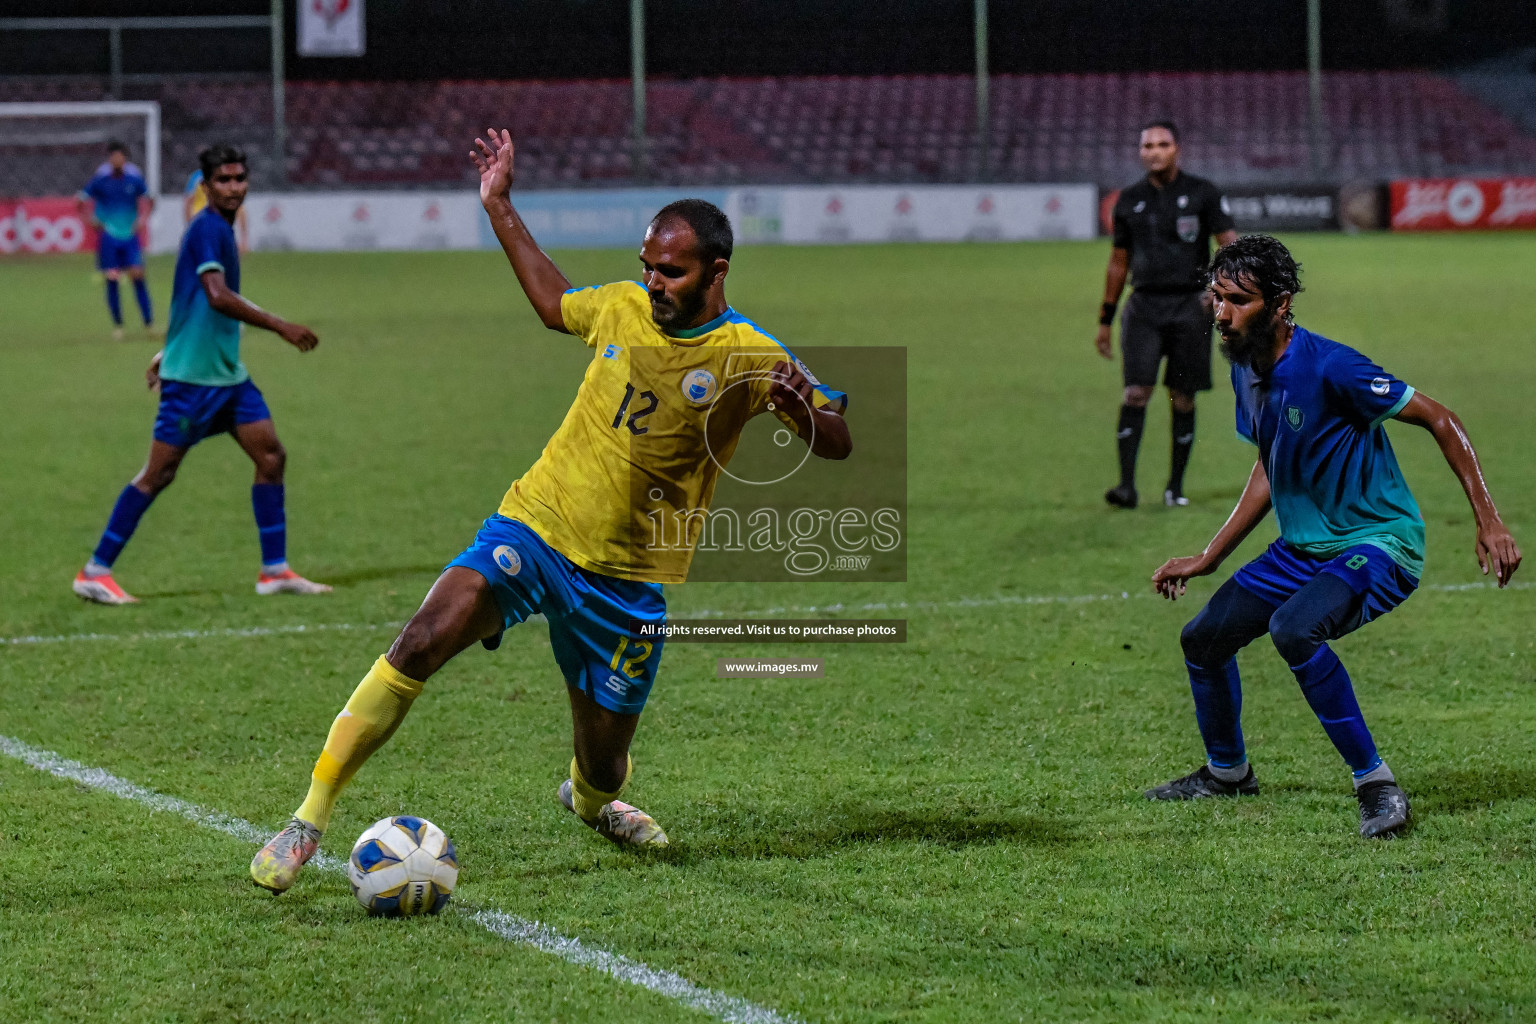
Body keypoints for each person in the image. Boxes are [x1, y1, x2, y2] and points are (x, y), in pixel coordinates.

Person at [249, 129, 852, 893]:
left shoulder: (749, 354)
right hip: (536, 527)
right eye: (648, 268)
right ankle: (308, 818)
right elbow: (549, 302)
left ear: (716, 272)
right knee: (421, 638)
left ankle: (594, 800)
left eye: (672, 271)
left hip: (628, 585)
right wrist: (499, 204)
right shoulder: (621, 309)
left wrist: (805, 416)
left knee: (602, 765)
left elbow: (837, 439)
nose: (654, 282)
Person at [1145, 235, 1522, 838]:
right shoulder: (1247, 367)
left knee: (1294, 628)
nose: (1222, 314)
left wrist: (1489, 518)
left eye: (1238, 300)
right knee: (1203, 640)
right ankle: (1228, 772)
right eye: (1216, 298)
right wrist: (1209, 557)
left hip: (1377, 543)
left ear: (1281, 302)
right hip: (1303, 548)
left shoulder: (1331, 366)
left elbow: (1440, 417)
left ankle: (1376, 785)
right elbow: (1271, 464)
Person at [71, 144, 331, 606]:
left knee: (271, 456)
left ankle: (274, 571)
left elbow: (186, 299)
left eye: (239, 179)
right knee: (158, 474)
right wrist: (280, 326)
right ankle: (95, 570)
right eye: (224, 180)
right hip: (193, 385)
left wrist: (165, 350)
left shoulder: (221, 229)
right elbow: (214, 295)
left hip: (227, 378)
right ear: (205, 186)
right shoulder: (207, 228)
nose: (233, 187)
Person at [1097, 120, 1237, 509]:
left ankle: (1175, 487)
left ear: (1177, 149)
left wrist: (1220, 291)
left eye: (1162, 144)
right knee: (1136, 392)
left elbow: (1229, 244)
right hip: (1142, 308)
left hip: (1191, 307)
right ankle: (1126, 487)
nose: (1154, 151)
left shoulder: (1203, 193)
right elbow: (1117, 263)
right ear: (1140, 152)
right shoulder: (1128, 200)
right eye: (1147, 146)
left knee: (1183, 397)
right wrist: (1105, 319)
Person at [77, 141, 155, 339]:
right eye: (113, 156)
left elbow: (149, 199)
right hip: (109, 236)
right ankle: (118, 326)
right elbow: (80, 199)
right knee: (112, 278)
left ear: (125, 159)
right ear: (110, 158)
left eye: (120, 156)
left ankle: (149, 323)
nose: (116, 160)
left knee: (137, 275)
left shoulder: (134, 178)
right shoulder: (101, 179)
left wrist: (143, 219)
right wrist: (89, 220)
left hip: (129, 235)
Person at [184, 166, 249, 253]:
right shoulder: (197, 177)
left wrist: (244, 239)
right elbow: (188, 202)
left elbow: (239, 210)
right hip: (202, 223)